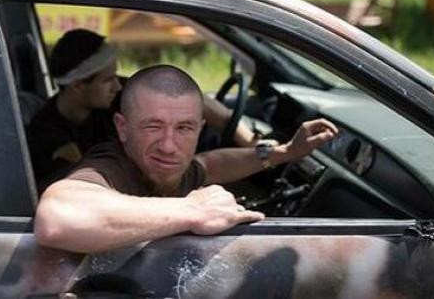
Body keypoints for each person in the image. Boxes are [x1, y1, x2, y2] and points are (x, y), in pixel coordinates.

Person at [35, 65, 338, 253]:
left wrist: (284, 152)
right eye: (153, 126)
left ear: (200, 129)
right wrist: (194, 210)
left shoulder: (166, 166)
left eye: (184, 128)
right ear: (122, 128)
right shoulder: (110, 165)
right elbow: (57, 218)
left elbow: (211, 165)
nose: (169, 146)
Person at [27, 29, 258, 184]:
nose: (117, 85)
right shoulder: (49, 133)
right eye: (108, 79)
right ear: (78, 86)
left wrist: (250, 141)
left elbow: (197, 100)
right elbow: (90, 185)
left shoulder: (114, 94)